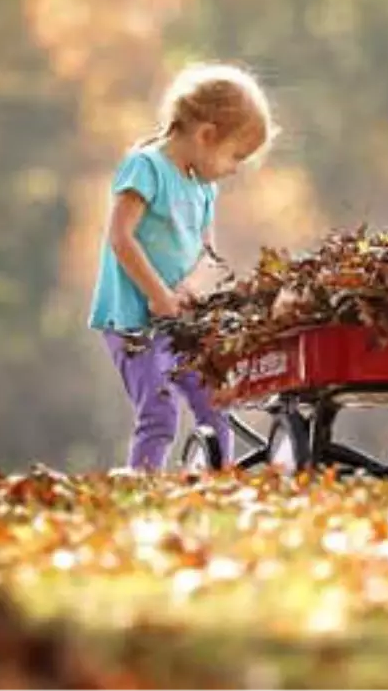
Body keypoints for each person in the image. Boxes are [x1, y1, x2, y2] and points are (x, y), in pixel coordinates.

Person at [89, 62, 278, 471]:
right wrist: (158, 296)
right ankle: (143, 486)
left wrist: (189, 289)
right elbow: (120, 237)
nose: (233, 170)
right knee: (159, 411)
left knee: (214, 400)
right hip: (133, 320)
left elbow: (207, 251)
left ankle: (219, 480)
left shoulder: (204, 187)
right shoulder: (147, 167)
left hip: (179, 320)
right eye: (235, 157)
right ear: (207, 135)